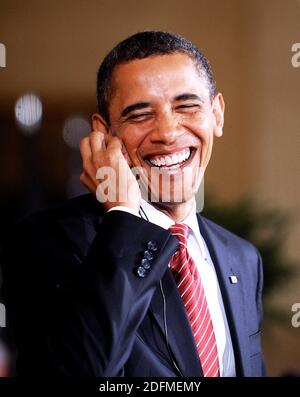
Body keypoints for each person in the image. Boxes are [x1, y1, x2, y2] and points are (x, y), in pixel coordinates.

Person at [0, 31, 265, 377]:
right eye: (140, 115)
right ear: (103, 131)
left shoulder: (243, 258)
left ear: (217, 115)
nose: (167, 132)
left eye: (187, 106)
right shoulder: (45, 241)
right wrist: (123, 215)